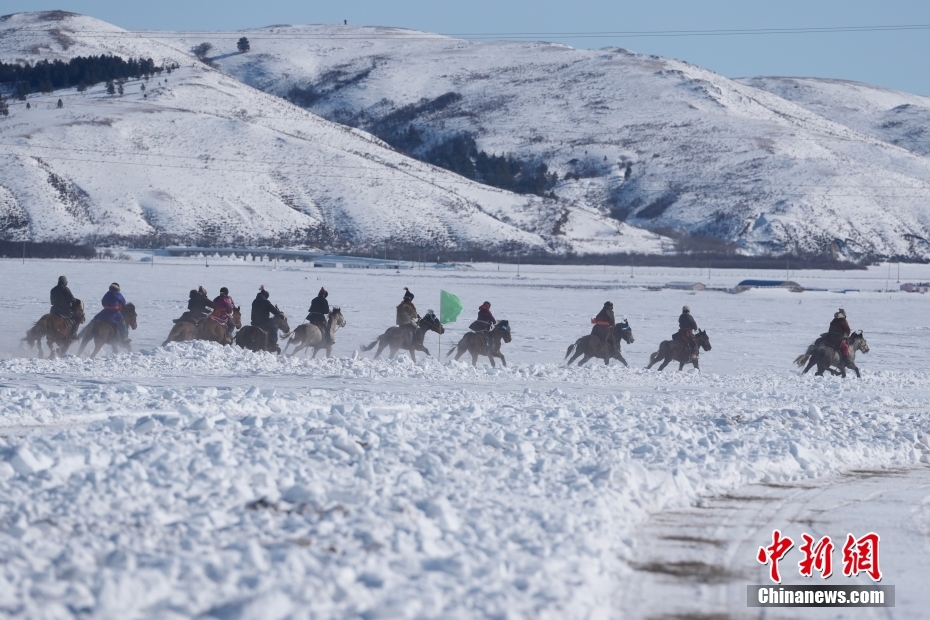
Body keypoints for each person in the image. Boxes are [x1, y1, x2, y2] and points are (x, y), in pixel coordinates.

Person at [251, 285, 282, 350]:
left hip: (254, 322)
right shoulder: (266, 302)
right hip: (264, 322)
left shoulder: (254, 301)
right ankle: (273, 343)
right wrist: (279, 315)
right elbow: (273, 310)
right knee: (275, 327)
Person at [50, 275, 80, 340]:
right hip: (65, 311)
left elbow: (52, 302)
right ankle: (73, 333)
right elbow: (72, 300)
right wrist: (77, 301)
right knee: (78, 318)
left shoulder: (53, 289)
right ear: (65, 282)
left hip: (54, 311)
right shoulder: (66, 289)